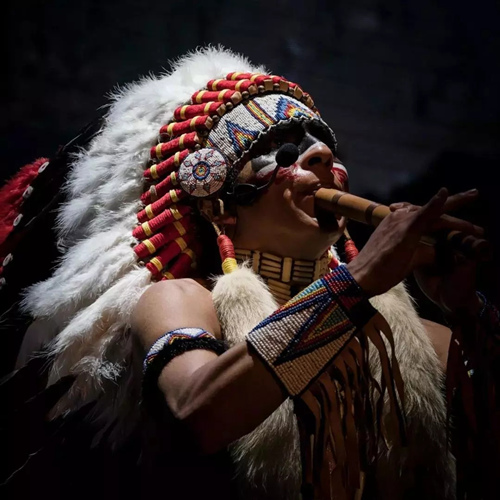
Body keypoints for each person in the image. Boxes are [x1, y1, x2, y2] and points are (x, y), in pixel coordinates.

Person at [0, 47, 498, 500]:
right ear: (219, 204)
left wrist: (467, 314)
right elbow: (200, 412)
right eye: (283, 148)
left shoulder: (431, 340)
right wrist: (355, 283)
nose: (323, 156)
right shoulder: (180, 300)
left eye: (325, 146)